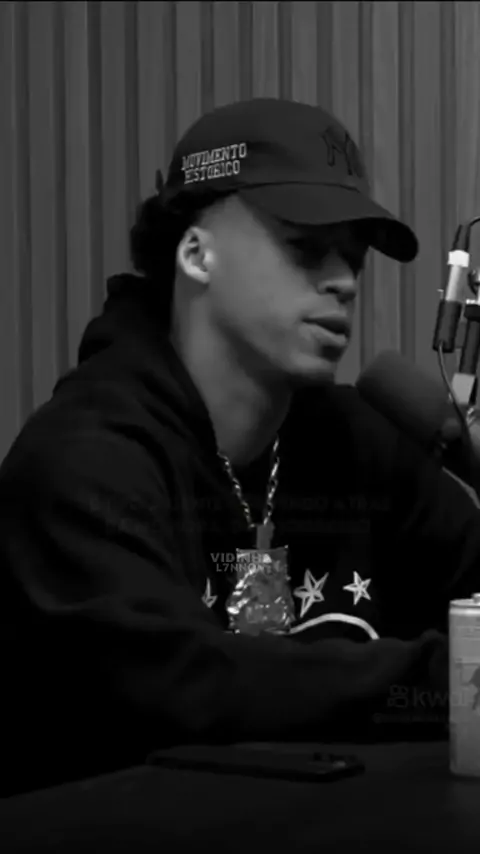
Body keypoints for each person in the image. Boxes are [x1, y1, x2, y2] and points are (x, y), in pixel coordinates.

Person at [1, 98, 479, 798]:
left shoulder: (358, 439)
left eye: (352, 256)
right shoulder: (83, 460)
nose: (345, 281)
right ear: (196, 253)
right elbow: (174, 686)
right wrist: (450, 683)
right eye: (305, 247)